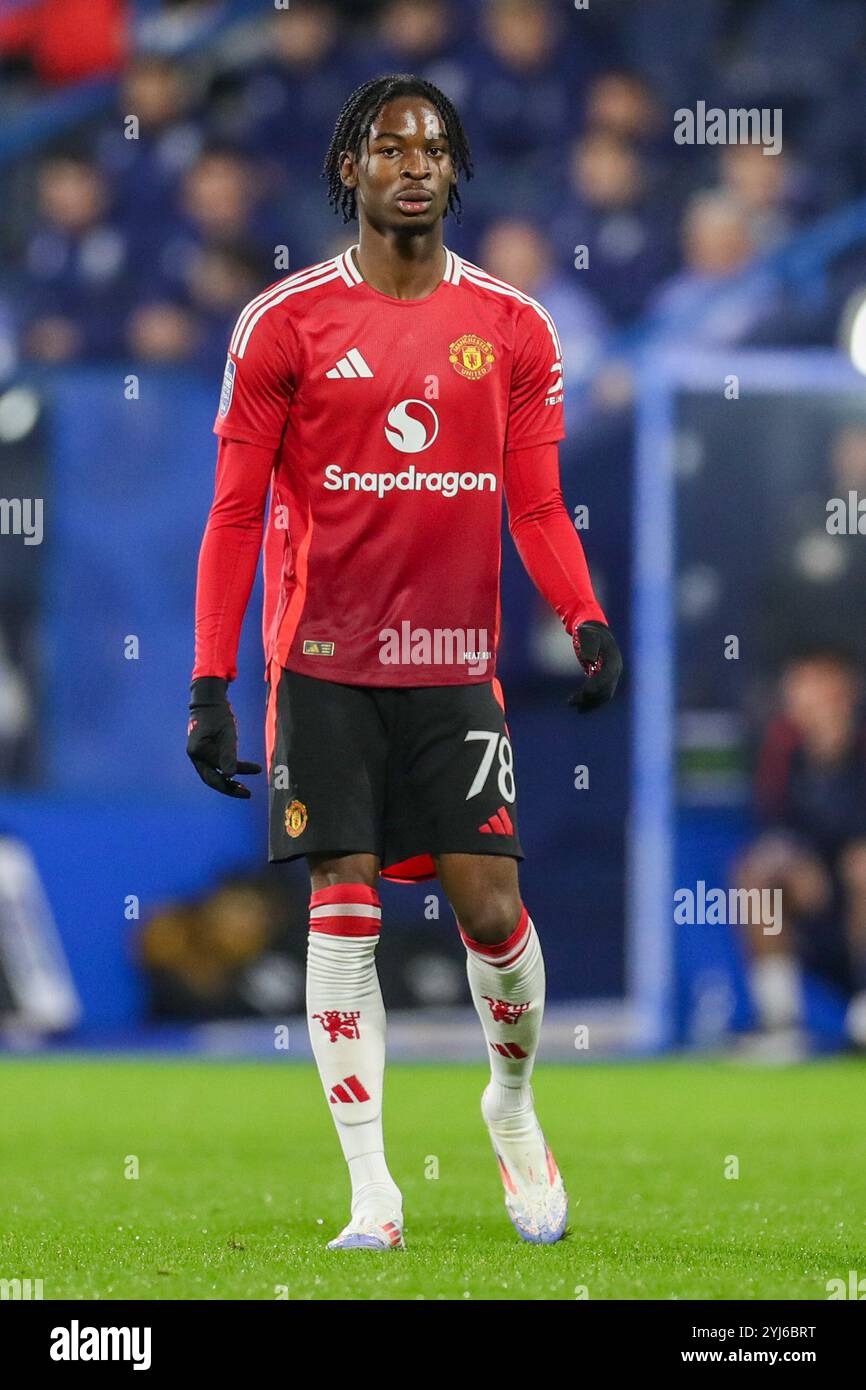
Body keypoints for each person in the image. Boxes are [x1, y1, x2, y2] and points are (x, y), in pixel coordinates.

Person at [187, 74, 621, 1251]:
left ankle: (513, 1108)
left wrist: (581, 615)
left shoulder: (514, 329)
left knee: (492, 910)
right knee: (345, 912)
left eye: (432, 147)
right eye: (389, 147)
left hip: (449, 666)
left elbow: (534, 504)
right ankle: (372, 1191)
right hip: (321, 660)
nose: (413, 164)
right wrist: (212, 682)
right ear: (352, 169)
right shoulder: (281, 325)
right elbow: (231, 517)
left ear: (456, 169)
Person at [733, 647, 866, 1052]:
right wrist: (794, 857)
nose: (802, 697)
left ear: (842, 691)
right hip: (813, 899)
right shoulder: (780, 751)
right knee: (754, 875)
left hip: (857, 888)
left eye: (814, 684)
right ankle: (780, 1023)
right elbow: (771, 827)